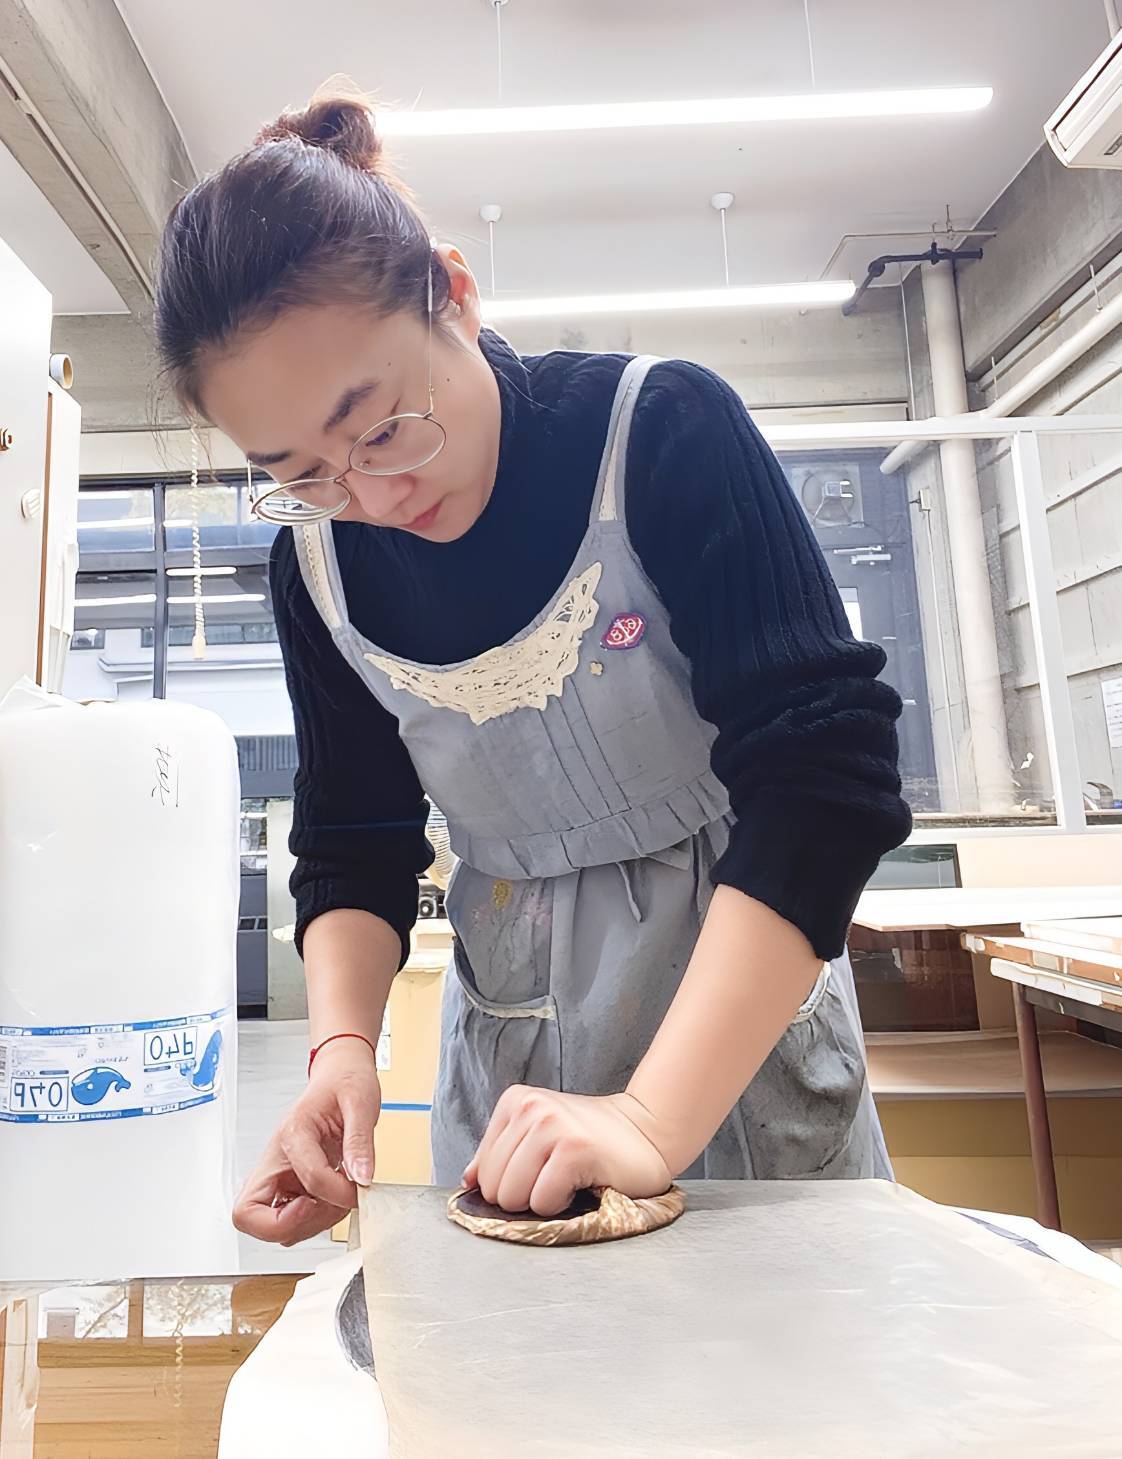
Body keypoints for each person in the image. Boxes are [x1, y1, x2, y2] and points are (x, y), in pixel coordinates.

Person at [153, 86, 912, 1245]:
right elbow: (354, 839)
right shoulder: (318, 568)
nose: (373, 496)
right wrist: (342, 1051)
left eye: (382, 427)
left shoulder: (660, 432)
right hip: (510, 1063)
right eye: (301, 472)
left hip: (738, 1034)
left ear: (453, 295)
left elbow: (825, 779)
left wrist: (651, 1116)